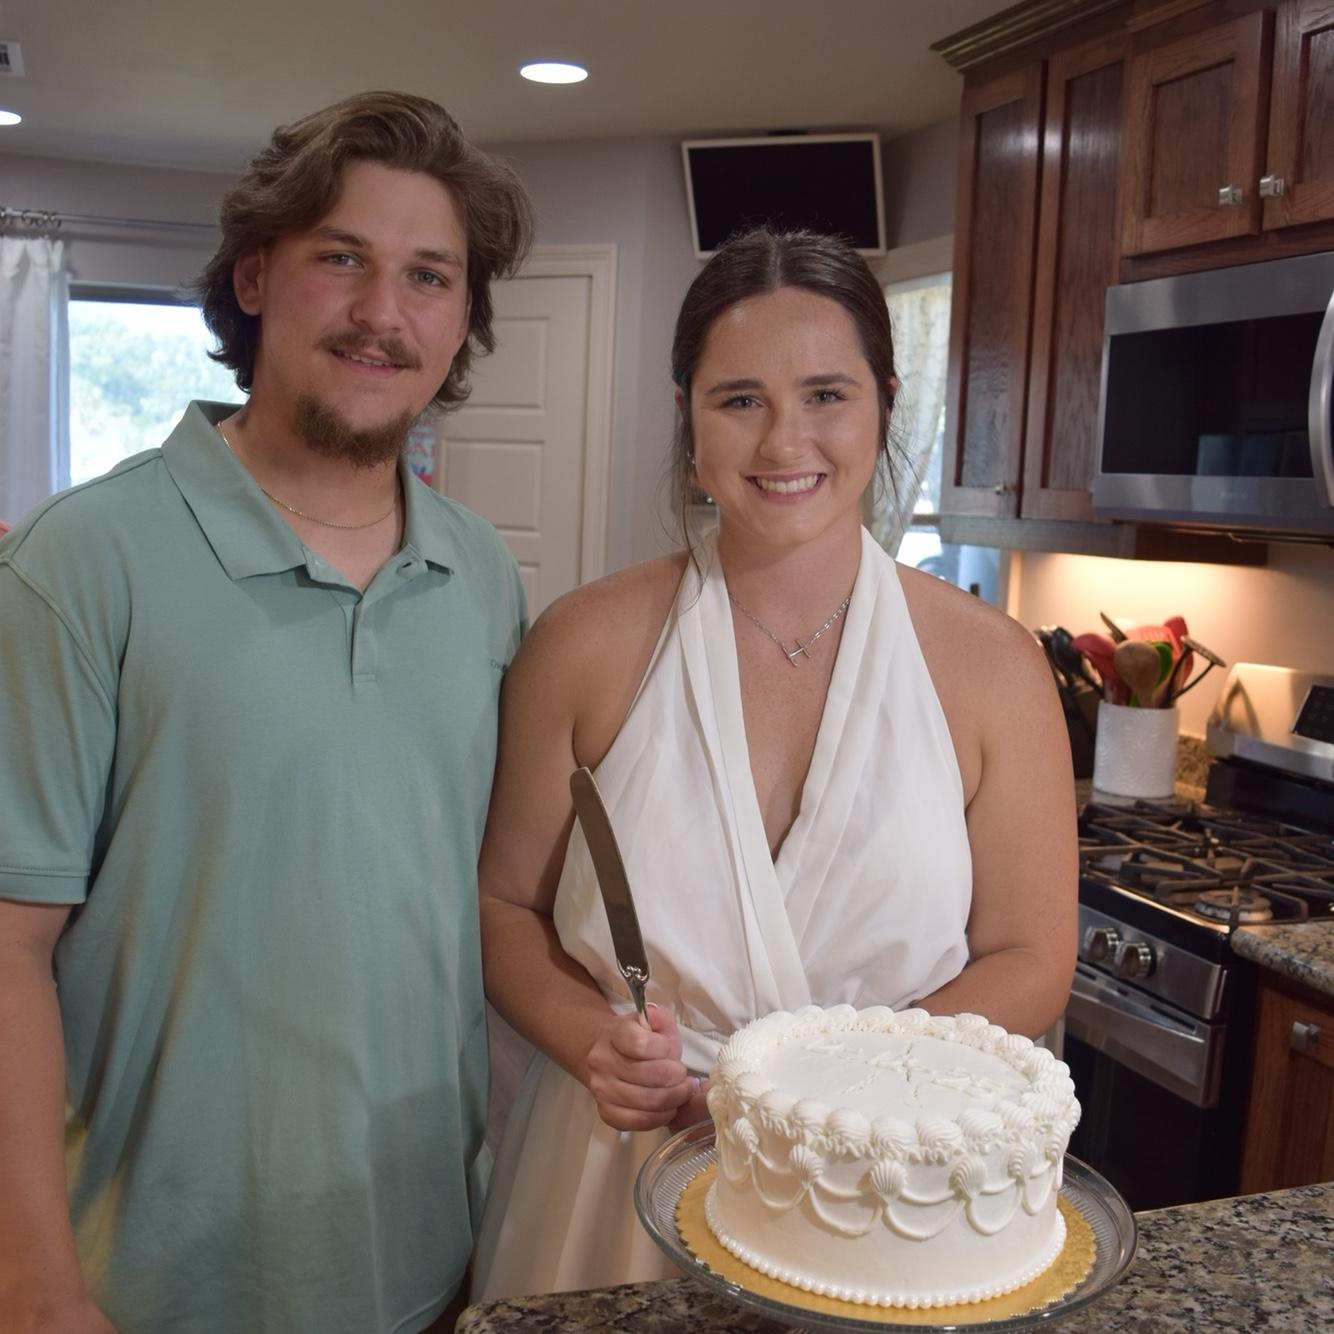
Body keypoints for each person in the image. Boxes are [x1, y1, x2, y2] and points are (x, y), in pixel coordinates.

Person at [0, 92, 534, 1334]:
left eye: (428, 276)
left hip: (423, 1260)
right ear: (253, 275)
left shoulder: (480, 573)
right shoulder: (82, 560)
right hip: (146, 1285)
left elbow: (475, 908)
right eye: (341, 258)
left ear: (462, 317)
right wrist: (33, 1283)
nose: (382, 313)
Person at [470, 227, 1078, 1299]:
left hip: (883, 1197)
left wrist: (819, 1099)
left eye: (825, 394)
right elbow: (502, 903)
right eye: (739, 398)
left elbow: (1031, 953)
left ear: (885, 404)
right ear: (687, 419)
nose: (783, 438)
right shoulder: (583, 645)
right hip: (620, 1167)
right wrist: (591, 1040)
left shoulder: (994, 667)